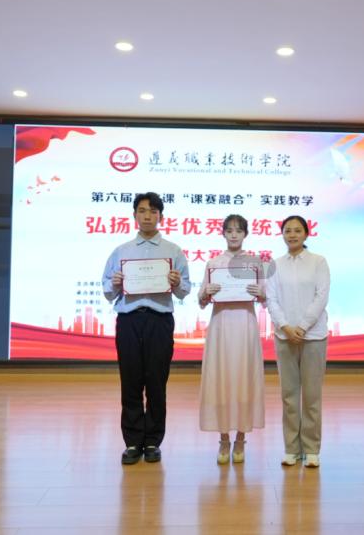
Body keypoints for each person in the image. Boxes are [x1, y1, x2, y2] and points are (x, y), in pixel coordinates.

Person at [102, 192, 191, 465]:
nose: (147, 216)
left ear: (161, 216)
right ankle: (132, 442)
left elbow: (185, 290)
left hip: (159, 320)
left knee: (156, 382)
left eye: (153, 211)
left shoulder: (173, 251)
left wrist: (176, 282)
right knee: (130, 381)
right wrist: (115, 283)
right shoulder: (121, 251)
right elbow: (107, 291)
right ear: (134, 215)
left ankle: (152, 441)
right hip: (129, 320)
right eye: (142, 211)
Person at [197, 214, 266, 464]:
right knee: (222, 379)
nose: (234, 235)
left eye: (238, 230)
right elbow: (201, 300)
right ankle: (224, 439)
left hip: (245, 324)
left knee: (244, 378)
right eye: (229, 230)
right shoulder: (213, 263)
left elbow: (266, 298)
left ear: (245, 234)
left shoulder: (255, 264)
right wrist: (207, 292)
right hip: (221, 324)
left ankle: (240, 439)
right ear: (223, 234)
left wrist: (261, 293)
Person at [265, 215, 330, 468]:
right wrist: (285, 326)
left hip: (313, 336)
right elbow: (271, 299)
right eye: (288, 231)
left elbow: (321, 296)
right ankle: (292, 449)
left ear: (306, 234)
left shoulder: (318, 262)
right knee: (289, 396)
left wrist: (301, 327)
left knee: (311, 396)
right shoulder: (275, 264)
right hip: (284, 337)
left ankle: (311, 449)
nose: (292, 235)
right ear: (282, 234)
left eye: (297, 230)